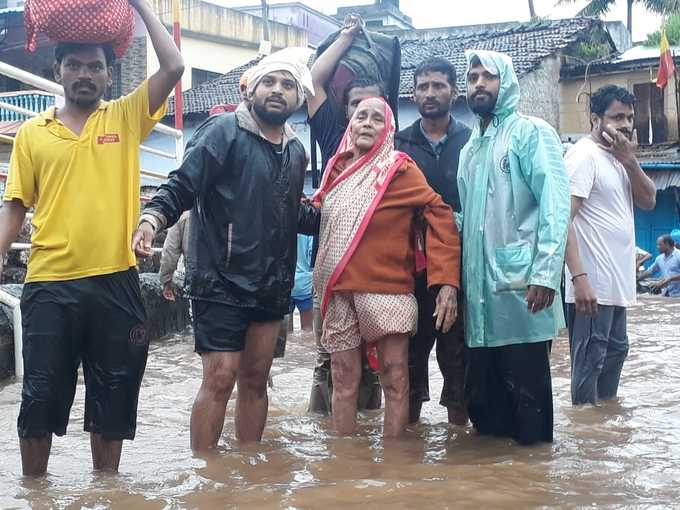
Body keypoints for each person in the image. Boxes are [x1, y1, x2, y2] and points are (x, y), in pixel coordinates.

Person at [0, 0, 184, 476]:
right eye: (75, 65)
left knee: (114, 401)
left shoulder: (124, 118)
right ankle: (36, 495)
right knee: (38, 399)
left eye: (95, 67)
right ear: (58, 70)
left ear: (109, 76)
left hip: (115, 283)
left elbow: (175, 65)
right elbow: (15, 207)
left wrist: (141, 6)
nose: (85, 73)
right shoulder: (31, 135)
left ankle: (108, 494)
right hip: (48, 285)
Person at [131, 55, 318, 451]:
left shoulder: (297, 151)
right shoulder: (223, 131)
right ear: (251, 89)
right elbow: (184, 183)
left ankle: (246, 470)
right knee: (220, 376)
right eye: (270, 82)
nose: (278, 90)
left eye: (288, 85)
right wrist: (153, 217)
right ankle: (207, 475)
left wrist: (344, 211)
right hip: (220, 279)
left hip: (273, 283)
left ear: (298, 98)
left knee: (256, 376)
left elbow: (293, 210)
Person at [313, 97, 460, 438]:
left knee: (395, 378)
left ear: (388, 129)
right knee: (343, 378)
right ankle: (345, 464)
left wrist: (445, 282)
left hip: (388, 290)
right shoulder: (336, 170)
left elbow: (440, 215)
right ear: (350, 123)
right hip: (339, 291)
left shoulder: (400, 170)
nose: (366, 123)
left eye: (376, 119)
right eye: (360, 116)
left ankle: (394, 467)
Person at [457, 50, 570, 445]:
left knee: (530, 410)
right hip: (479, 303)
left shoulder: (530, 132)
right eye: (472, 78)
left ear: (505, 83)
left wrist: (545, 273)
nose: (479, 84)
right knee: (485, 410)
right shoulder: (469, 150)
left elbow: (556, 204)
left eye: (488, 76)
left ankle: (535, 492)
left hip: (523, 292)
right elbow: (467, 222)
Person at [306, 13, 384, 414]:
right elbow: (313, 81)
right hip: (331, 269)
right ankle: (329, 450)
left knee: (376, 364)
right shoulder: (334, 138)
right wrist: (348, 36)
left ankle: (367, 448)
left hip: (378, 273)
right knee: (328, 358)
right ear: (345, 109)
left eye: (374, 109)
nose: (364, 117)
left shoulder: (396, 158)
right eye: (356, 106)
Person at [564, 85, 656, 406]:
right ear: (595, 119)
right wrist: (580, 279)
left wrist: (630, 162)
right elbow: (563, 220)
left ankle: (602, 442)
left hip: (617, 290)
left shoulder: (619, 158)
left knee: (614, 360)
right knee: (588, 367)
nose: (626, 125)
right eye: (617, 117)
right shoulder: (583, 156)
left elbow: (649, 200)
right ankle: (585, 447)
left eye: (630, 117)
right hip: (591, 290)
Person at [395, 57, 471, 426]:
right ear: (413, 93)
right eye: (423, 86)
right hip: (409, 270)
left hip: (463, 267)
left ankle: (457, 457)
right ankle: (407, 457)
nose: (430, 93)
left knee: (459, 361)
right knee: (409, 362)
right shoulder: (397, 144)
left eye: (438, 85)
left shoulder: (471, 143)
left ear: (454, 92)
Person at [159, 210, 190, 301]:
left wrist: (166, 281)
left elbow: (170, 252)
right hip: (229, 283)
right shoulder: (230, 208)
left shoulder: (184, 214)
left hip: (197, 280)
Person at [289, 233, 314, 332]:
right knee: (307, 330)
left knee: (287, 334)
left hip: (286, 284)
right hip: (305, 285)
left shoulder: (283, 224)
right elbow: (312, 256)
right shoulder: (309, 229)